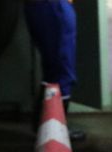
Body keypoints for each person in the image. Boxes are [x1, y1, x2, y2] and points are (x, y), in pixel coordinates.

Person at [24, 0, 85, 142]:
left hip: (40, 7)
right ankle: (56, 128)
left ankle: (44, 125)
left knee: (53, 69)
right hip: (53, 6)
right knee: (62, 70)